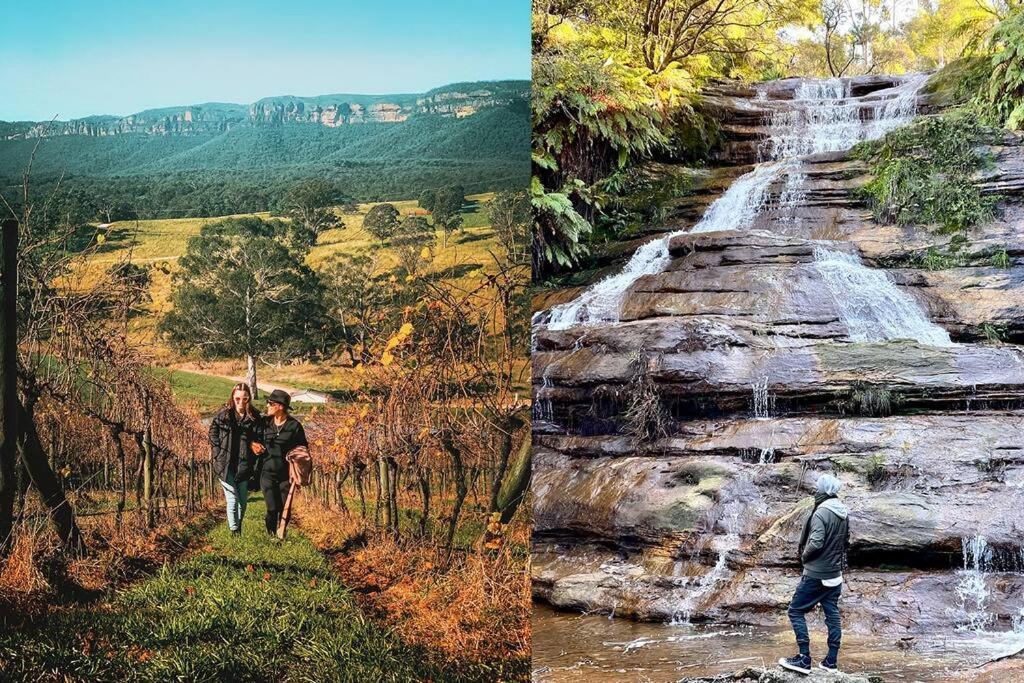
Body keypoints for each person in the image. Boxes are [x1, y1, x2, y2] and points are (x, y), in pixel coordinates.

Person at [779, 473, 850, 675]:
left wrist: (804, 558)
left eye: (818, 487)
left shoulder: (821, 513)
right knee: (832, 615)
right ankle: (831, 662)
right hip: (835, 575)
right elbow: (846, 542)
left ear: (823, 491)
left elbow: (816, 542)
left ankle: (803, 658)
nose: (815, 490)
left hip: (816, 574)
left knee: (795, 610)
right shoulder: (843, 512)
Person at [208, 383, 262, 536]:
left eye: (244, 399)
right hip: (224, 464)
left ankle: (238, 527)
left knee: (243, 503)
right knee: (233, 499)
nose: (241, 402)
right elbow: (212, 433)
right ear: (233, 397)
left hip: (244, 465)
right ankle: (235, 532)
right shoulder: (223, 415)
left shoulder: (254, 417)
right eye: (237, 398)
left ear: (249, 399)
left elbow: (259, 436)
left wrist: (254, 444)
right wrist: (217, 452)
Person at [253, 389, 307, 538]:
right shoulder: (264, 423)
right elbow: (252, 437)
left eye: (270, 403)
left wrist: (298, 462)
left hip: (286, 475)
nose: (267, 405)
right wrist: (253, 445)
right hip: (267, 473)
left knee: (284, 508)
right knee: (272, 508)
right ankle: (271, 536)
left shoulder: (294, 426)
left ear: (280, 407)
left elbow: (303, 448)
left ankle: (281, 534)